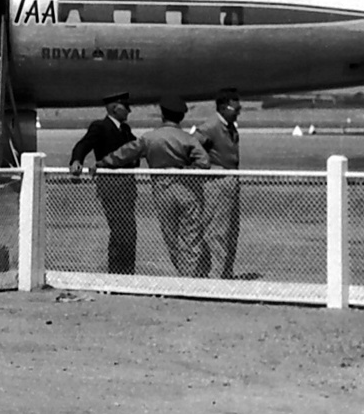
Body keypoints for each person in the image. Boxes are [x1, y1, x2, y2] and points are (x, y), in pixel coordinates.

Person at [98, 95, 211, 276]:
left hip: (162, 189)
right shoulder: (188, 139)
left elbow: (125, 153)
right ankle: (191, 275)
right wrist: (185, 168)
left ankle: (183, 272)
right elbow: (204, 162)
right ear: (181, 117)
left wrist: (104, 162)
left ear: (162, 115)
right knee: (192, 235)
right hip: (188, 189)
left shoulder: (150, 138)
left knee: (170, 235)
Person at [69, 92, 138, 274]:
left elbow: (136, 149)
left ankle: (127, 271)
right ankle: (116, 272)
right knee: (119, 229)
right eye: (126, 107)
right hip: (111, 187)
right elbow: (83, 145)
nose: (129, 111)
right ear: (115, 108)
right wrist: (77, 161)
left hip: (127, 186)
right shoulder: (100, 127)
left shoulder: (125, 130)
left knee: (130, 230)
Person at [196, 89, 242, 279]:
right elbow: (192, 149)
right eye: (235, 107)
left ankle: (226, 272)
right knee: (217, 230)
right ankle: (215, 275)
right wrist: (209, 168)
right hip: (216, 184)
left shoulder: (231, 127)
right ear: (223, 107)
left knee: (231, 229)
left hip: (232, 182)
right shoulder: (209, 127)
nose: (238, 111)